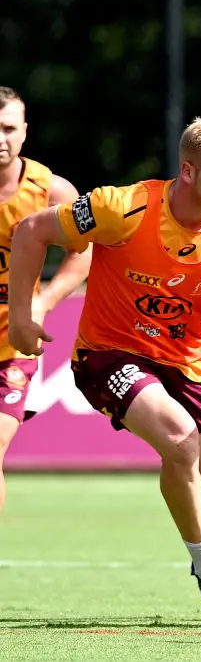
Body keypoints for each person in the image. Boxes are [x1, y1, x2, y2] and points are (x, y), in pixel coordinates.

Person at [7, 117, 201, 620]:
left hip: (185, 362)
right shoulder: (123, 207)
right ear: (188, 171)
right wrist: (24, 313)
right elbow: (31, 230)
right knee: (181, 440)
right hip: (107, 354)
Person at [0, 86, 92, 514]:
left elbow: (84, 251)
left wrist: (44, 302)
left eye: (8, 128)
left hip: (11, 346)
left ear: (24, 131)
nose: (0, 139)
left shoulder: (52, 191)